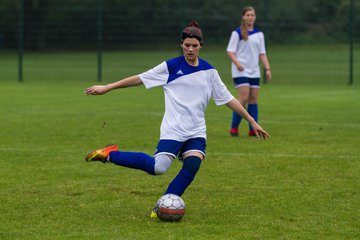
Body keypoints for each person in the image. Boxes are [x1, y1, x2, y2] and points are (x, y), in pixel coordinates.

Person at [84, 20, 270, 218]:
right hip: (174, 129)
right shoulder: (170, 67)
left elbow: (229, 99)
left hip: (196, 130)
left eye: (195, 46)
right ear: (181, 44)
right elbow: (139, 78)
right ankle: (110, 154)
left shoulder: (209, 72)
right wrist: (108, 87)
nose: (190, 49)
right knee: (158, 168)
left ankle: (163, 205)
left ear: (201, 47)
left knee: (192, 165)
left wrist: (251, 120)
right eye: (187, 45)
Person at [227, 6, 272, 137]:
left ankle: (253, 129)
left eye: (252, 15)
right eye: (248, 15)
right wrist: (237, 63)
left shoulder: (259, 34)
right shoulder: (237, 33)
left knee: (253, 98)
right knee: (244, 98)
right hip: (240, 71)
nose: (250, 17)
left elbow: (262, 54)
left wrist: (267, 69)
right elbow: (230, 51)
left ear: (255, 17)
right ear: (243, 17)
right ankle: (234, 128)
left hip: (255, 71)